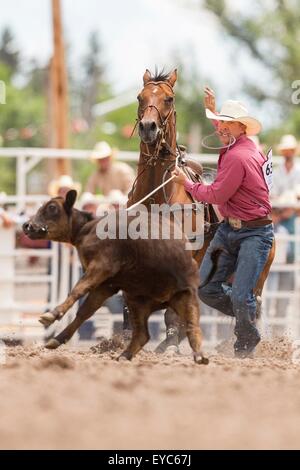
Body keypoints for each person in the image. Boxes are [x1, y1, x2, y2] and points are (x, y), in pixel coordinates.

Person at [172, 87, 274, 358]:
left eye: (227, 122)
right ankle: (248, 318)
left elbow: (216, 193)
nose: (221, 127)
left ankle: (245, 325)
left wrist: (188, 184)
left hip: (253, 232)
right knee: (206, 287)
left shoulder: (238, 157)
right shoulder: (243, 146)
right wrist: (215, 113)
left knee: (233, 294)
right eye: (221, 122)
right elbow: (225, 131)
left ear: (240, 127)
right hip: (234, 228)